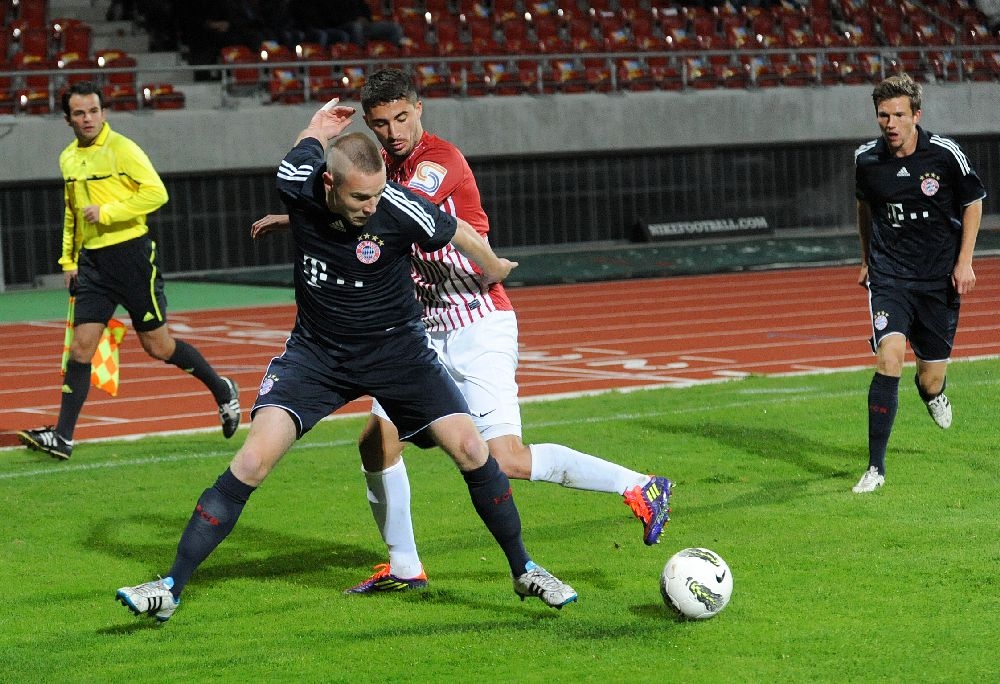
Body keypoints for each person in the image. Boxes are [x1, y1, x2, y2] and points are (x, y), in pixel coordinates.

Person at [115, 98, 577, 622]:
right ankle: (169, 587)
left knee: (473, 449)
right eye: (360, 197)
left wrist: (493, 266)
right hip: (317, 357)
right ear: (329, 184)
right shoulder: (297, 182)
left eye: (378, 193)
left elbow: (458, 231)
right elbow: (304, 149)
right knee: (251, 461)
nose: (372, 206)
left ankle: (524, 569)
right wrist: (317, 126)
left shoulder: (397, 206)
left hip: (398, 354)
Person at [251, 68, 672, 594]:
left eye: (401, 118)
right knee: (376, 443)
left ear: (419, 110)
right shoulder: (380, 169)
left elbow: (391, 210)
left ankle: (640, 486)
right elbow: (361, 208)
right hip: (420, 330)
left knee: (505, 458)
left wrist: (304, 210)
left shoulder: (438, 161)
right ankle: (404, 567)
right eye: (379, 124)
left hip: (477, 322)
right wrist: (302, 214)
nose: (392, 132)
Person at [17, 82, 240, 462]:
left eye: (94, 111)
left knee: (158, 347)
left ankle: (222, 389)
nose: (88, 119)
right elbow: (72, 212)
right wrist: (68, 261)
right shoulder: (68, 158)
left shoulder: (122, 149)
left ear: (103, 113)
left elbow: (157, 193)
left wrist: (108, 212)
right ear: (68, 119)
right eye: (79, 113)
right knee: (81, 348)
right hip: (93, 265)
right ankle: (63, 438)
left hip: (132, 259)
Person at [852, 73, 986, 494]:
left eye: (898, 115)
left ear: (916, 115)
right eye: (883, 115)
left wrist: (965, 262)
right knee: (889, 359)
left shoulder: (945, 154)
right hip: (889, 277)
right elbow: (865, 209)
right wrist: (865, 259)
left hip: (937, 280)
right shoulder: (866, 160)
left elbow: (973, 202)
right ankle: (875, 468)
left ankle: (933, 393)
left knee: (929, 377)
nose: (890, 123)